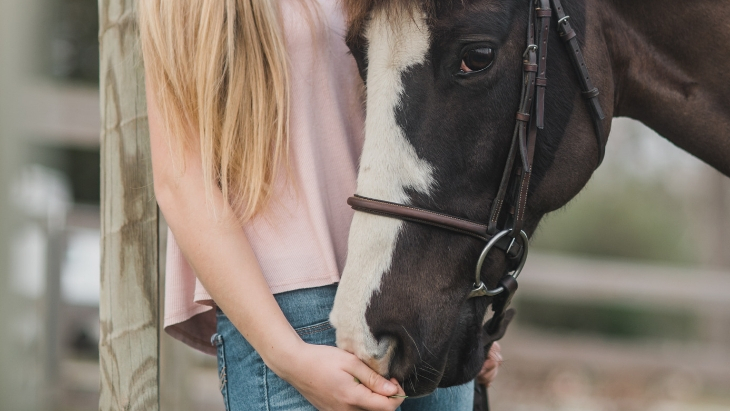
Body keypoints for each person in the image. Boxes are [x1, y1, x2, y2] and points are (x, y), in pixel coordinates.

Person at [138, 0, 502, 410]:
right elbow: (183, 182)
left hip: (425, 294)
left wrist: (471, 310)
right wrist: (288, 357)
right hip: (294, 316)